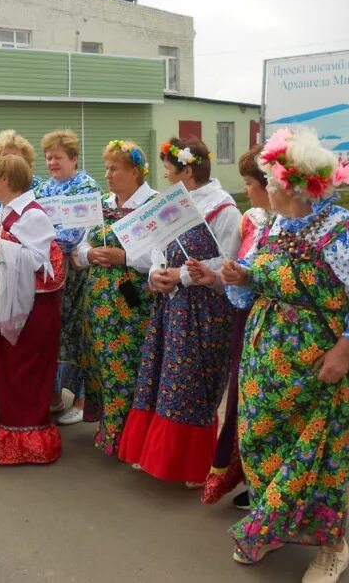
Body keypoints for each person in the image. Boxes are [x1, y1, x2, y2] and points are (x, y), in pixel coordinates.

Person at [221, 127, 349, 583]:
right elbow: (264, 280)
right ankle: (274, 525)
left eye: (269, 181)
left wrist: (344, 350)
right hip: (263, 364)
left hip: (316, 369)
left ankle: (330, 547)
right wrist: (242, 277)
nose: (263, 188)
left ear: (290, 188)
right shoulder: (276, 225)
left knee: (316, 461)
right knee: (261, 448)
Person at [118, 137, 241, 486]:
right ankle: (157, 453)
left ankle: (194, 463)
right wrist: (158, 271)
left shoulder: (224, 209)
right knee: (162, 379)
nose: (167, 176)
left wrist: (183, 275)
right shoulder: (173, 202)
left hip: (204, 309)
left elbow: (228, 260)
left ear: (188, 170)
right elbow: (159, 247)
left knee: (193, 383)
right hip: (171, 304)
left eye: (171, 170)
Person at [0, 154, 64, 465]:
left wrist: (2, 246)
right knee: (8, 372)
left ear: (6, 179)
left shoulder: (32, 215)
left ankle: (28, 441)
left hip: (32, 308)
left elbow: (42, 262)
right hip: (11, 302)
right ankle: (10, 436)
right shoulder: (7, 212)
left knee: (24, 373)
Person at [192, 144, 271, 507]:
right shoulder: (253, 219)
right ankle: (253, 480)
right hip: (248, 320)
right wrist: (219, 276)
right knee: (244, 404)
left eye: (250, 183)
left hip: (277, 327)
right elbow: (237, 268)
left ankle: (272, 489)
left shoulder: (290, 226)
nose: (247, 191)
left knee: (269, 408)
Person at [76, 140, 157, 455]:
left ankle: (132, 439)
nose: (107, 175)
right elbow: (80, 249)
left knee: (129, 368)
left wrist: (124, 257)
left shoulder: (152, 204)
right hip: (98, 305)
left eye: (115, 169)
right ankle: (110, 432)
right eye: (106, 168)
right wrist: (91, 253)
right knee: (102, 368)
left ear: (135, 171)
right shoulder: (101, 204)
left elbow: (163, 255)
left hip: (132, 305)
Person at [36, 129, 101, 425]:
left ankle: (81, 399)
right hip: (51, 271)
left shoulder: (85, 186)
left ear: (73, 159)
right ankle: (53, 395)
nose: (51, 162)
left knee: (78, 333)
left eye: (58, 157)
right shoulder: (45, 189)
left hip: (77, 271)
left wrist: (44, 243)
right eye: (48, 157)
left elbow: (80, 230)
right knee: (54, 333)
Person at [0, 130, 42, 222]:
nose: (9, 160)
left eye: (14, 156)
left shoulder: (38, 184)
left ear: (25, 160)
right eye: (4, 156)